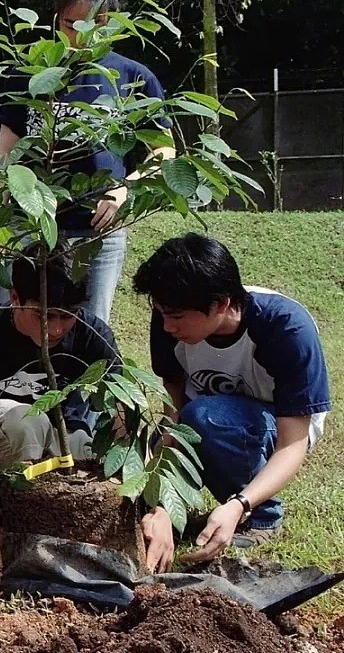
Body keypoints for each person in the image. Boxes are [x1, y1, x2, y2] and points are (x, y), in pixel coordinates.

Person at [133, 233, 330, 573]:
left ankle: (262, 517)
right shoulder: (169, 320)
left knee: (207, 417)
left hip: (275, 425)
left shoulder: (284, 329)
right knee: (142, 460)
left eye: (177, 316)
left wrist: (239, 504)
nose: (166, 326)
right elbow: (173, 417)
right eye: (161, 313)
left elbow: (292, 445)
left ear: (222, 304)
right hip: (204, 418)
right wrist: (162, 503)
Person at [0, 0, 175, 323]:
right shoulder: (30, 73)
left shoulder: (133, 77)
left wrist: (125, 191)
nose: (82, 36)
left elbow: (164, 150)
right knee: (11, 322)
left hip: (97, 234)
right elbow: (6, 150)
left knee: (89, 329)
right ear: (55, 19)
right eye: (70, 25)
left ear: (114, 21)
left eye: (97, 23)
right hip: (28, 227)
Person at [0, 243, 120, 492]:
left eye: (68, 316)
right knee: (25, 422)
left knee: (86, 449)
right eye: (43, 316)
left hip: (62, 438)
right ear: (15, 298)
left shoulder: (92, 335)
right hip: (0, 440)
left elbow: (124, 415)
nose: (56, 330)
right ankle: (12, 502)